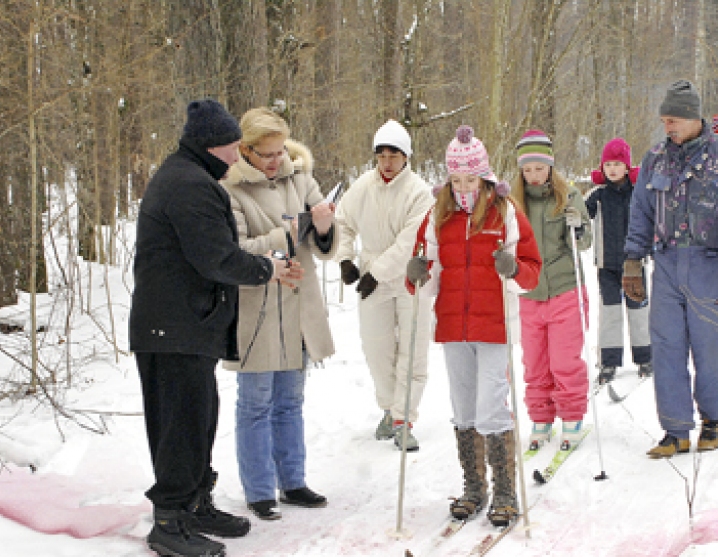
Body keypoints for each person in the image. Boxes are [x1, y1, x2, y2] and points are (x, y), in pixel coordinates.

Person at [129, 99, 304, 557]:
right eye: (231, 147)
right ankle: (169, 519)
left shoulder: (193, 177)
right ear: (212, 146)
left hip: (189, 327)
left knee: (198, 418)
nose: (235, 155)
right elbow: (216, 257)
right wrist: (267, 268)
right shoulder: (188, 186)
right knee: (180, 425)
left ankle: (195, 503)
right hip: (172, 328)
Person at [405, 126, 541, 526]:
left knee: (491, 406)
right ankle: (473, 486)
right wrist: (417, 273)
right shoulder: (437, 216)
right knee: (463, 406)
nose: (464, 187)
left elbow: (531, 271)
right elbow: (425, 273)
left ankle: (504, 490)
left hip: (495, 325)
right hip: (452, 325)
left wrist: (512, 268)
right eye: (457, 180)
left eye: (471, 179)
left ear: (484, 177)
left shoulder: (505, 214)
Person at [624, 80, 718, 458]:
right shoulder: (655, 159)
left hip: (711, 264)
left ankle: (712, 420)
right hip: (667, 264)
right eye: (664, 120)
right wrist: (632, 262)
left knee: (711, 349)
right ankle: (675, 431)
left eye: (673, 119)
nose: (667, 126)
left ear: (692, 117)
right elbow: (640, 214)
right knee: (666, 348)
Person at [221, 108, 337, 521]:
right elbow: (233, 253)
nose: (275, 161)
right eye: (267, 154)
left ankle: (293, 481)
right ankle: (258, 489)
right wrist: (286, 234)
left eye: (279, 152)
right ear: (247, 150)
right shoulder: (230, 190)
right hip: (258, 308)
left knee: (291, 400)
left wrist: (323, 227)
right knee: (255, 402)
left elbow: (326, 247)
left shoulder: (300, 178)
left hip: (299, 306)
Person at [334, 120, 435, 451]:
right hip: (370, 278)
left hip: (409, 275)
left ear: (406, 156)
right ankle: (389, 409)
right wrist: (346, 259)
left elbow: (410, 240)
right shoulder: (363, 187)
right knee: (377, 348)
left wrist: (376, 272)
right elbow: (343, 223)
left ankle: (404, 418)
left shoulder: (418, 192)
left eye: (394, 154)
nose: (387, 162)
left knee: (412, 349)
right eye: (381, 155)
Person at [510, 129, 592, 451]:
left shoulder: (569, 196)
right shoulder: (513, 204)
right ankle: (541, 416)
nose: (533, 176)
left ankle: (572, 415)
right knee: (535, 361)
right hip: (530, 294)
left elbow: (584, 243)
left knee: (564, 360)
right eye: (527, 170)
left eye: (539, 168)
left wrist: (579, 226)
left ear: (550, 166)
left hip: (564, 289)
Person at [584, 138, 650, 386]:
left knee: (638, 311)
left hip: (635, 264)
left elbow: (650, 217)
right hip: (607, 265)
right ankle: (609, 361)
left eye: (617, 164)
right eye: (608, 164)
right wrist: (576, 223)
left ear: (627, 166)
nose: (612, 169)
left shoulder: (639, 192)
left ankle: (645, 357)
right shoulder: (598, 195)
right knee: (610, 313)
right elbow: (582, 215)